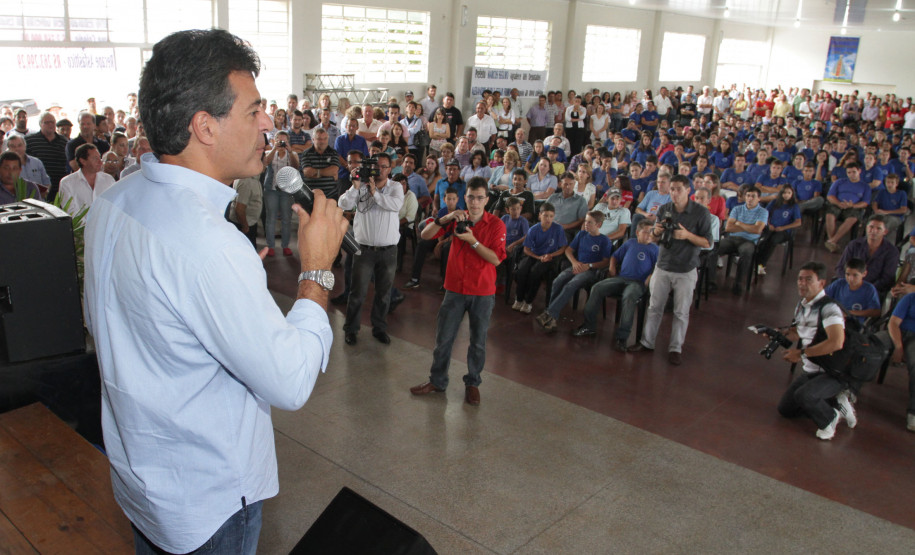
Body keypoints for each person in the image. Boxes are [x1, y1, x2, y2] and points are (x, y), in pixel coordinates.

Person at [83, 29, 348, 555]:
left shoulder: (116, 199)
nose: (269, 123)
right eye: (254, 111)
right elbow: (291, 380)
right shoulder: (208, 243)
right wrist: (316, 272)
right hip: (208, 505)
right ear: (204, 126)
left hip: (144, 481)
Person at [410, 177, 506, 406]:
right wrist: (446, 218)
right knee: (444, 338)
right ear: (465, 197)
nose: (474, 202)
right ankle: (437, 380)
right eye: (471, 197)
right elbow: (424, 235)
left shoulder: (496, 224)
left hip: (482, 291)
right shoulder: (456, 217)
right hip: (454, 289)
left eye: (480, 198)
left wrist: (472, 241)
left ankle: (472, 383)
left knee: (478, 341)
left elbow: (496, 259)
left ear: (487, 199)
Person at [630, 175, 712, 365]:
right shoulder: (665, 209)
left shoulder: (700, 212)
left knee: (680, 312)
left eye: (678, 189)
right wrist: (656, 232)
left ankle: (676, 348)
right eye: (672, 189)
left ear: (688, 190)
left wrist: (687, 235)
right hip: (663, 264)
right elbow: (655, 239)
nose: (674, 193)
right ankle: (647, 342)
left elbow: (708, 242)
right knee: (654, 307)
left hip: (685, 268)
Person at [777, 262, 853, 441]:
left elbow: (837, 342)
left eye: (809, 279)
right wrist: (778, 334)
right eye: (800, 279)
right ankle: (834, 402)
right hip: (812, 370)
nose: (802, 283)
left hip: (833, 372)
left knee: (804, 396)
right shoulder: (802, 305)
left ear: (822, 283)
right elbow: (798, 333)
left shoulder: (829, 309)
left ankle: (829, 419)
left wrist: (801, 354)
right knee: (786, 409)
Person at [338, 152, 404, 346]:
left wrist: (375, 193)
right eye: (377, 167)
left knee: (384, 293)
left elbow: (395, 205)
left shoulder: (396, 187)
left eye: (384, 167)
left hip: (388, 250)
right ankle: (351, 329)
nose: (380, 170)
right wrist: (355, 186)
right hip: (363, 249)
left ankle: (379, 328)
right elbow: (343, 204)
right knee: (357, 293)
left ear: (390, 169)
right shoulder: (361, 186)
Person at [572, 220, 658, 351]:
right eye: (646, 232)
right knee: (597, 288)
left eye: (651, 232)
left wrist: (650, 276)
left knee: (629, 297)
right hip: (621, 278)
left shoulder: (654, 249)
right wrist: (612, 267)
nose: (649, 235)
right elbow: (615, 256)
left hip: (638, 283)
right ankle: (589, 326)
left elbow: (658, 268)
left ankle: (622, 337)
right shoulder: (630, 243)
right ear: (637, 232)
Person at [536, 211, 612, 332]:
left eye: (590, 222)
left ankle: (550, 314)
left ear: (599, 225)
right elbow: (568, 250)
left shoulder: (604, 240)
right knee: (557, 281)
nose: (586, 224)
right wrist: (574, 262)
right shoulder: (581, 235)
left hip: (591, 271)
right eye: (586, 221)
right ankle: (552, 315)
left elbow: (605, 262)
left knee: (571, 285)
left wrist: (590, 265)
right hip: (576, 266)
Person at [513, 202, 567, 314]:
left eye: (551, 216)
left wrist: (550, 255)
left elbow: (563, 248)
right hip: (534, 255)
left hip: (550, 257)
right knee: (522, 270)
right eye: (545, 215)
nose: (548, 219)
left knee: (535, 272)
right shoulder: (533, 229)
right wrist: (538, 257)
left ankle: (528, 302)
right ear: (540, 215)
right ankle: (519, 299)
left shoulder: (558, 229)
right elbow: (526, 249)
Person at [833, 215, 899, 295]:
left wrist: (865, 289)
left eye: (878, 228)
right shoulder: (854, 245)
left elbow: (887, 279)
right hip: (848, 286)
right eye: (871, 227)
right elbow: (840, 268)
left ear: (885, 232)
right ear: (866, 228)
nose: (873, 231)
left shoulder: (891, 251)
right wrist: (849, 283)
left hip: (873, 291)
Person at [58, 143, 116, 216]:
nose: (100, 162)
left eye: (99, 157)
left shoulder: (108, 179)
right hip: (80, 227)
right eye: (95, 158)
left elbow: (114, 205)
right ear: (83, 161)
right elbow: (70, 213)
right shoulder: (67, 183)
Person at [25, 111, 69, 200]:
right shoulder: (30, 140)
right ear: (40, 124)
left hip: (60, 187)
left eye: (52, 122)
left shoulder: (64, 141)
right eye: (46, 122)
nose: (50, 125)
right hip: (39, 189)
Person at [825, 258, 882, 324]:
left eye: (855, 275)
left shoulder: (869, 289)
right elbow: (823, 297)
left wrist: (849, 312)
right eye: (847, 274)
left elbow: (876, 312)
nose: (850, 278)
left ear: (864, 274)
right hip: (832, 317)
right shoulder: (839, 283)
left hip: (853, 323)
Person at [228, 175, 263, 247]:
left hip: (250, 222)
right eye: (264, 164)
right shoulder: (246, 181)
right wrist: (245, 227)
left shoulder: (255, 179)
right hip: (244, 224)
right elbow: (239, 209)